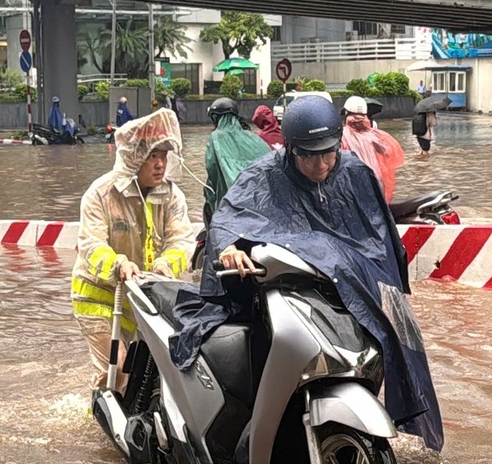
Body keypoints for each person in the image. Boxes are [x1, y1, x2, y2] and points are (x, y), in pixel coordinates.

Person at [171, 95, 443, 453]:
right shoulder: (264, 175)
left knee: (391, 335)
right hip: (281, 292)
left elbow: (379, 240)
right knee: (254, 354)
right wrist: (230, 248)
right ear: (290, 149)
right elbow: (228, 218)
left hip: (345, 295)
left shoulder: (354, 173)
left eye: (327, 153)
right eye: (308, 155)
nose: (320, 164)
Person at [71, 108, 194, 390]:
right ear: (134, 156)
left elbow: (181, 241)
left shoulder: (172, 196)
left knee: (146, 375)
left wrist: (166, 265)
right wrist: (119, 265)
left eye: (164, 155)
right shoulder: (100, 194)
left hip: (142, 299)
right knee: (117, 368)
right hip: (99, 300)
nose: (160, 164)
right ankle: (99, 423)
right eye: (152, 156)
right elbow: (91, 243)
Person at [203, 98, 270, 226]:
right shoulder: (254, 137)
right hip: (262, 206)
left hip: (230, 209)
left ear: (215, 118)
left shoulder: (216, 137)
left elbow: (212, 172)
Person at [340, 96, 404, 202]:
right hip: (378, 186)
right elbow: (389, 155)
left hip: (354, 190)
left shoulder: (341, 136)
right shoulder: (379, 136)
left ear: (346, 113)